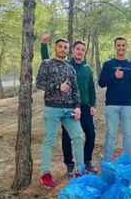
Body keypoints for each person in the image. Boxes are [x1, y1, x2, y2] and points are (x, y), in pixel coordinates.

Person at [40, 35, 97, 177]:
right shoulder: (58, 64)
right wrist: (43, 45)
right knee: (59, 138)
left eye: (82, 50)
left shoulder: (81, 68)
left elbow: (86, 88)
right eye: (77, 49)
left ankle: (84, 165)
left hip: (77, 107)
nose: (80, 51)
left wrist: (88, 105)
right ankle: (64, 166)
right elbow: (45, 71)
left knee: (85, 135)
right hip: (60, 106)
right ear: (73, 51)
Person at [36, 38, 84, 189]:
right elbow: (39, 83)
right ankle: (45, 174)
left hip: (69, 109)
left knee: (78, 136)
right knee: (49, 140)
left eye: (65, 47)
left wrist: (77, 107)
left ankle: (79, 171)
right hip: (52, 108)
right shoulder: (47, 63)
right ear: (55, 48)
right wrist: (58, 87)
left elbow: (76, 89)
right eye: (60, 47)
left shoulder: (70, 68)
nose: (63, 49)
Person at [98, 36, 131, 161]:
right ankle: (107, 162)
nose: (121, 47)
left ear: (126, 47)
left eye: (123, 45)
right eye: (118, 45)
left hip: (128, 105)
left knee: (128, 135)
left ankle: (128, 162)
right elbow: (101, 83)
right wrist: (114, 76)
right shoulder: (108, 64)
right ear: (115, 47)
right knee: (111, 134)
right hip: (112, 105)